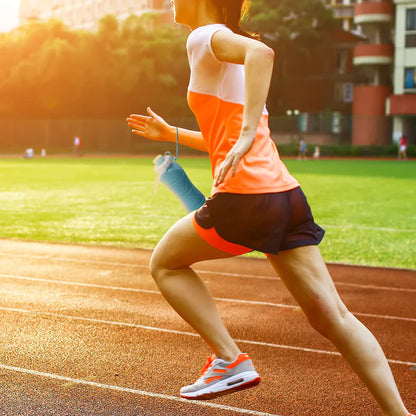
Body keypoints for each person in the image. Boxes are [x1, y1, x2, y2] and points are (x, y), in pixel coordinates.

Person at [127, 1, 414, 414]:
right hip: (285, 196)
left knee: (165, 264)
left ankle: (230, 360)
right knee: (333, 317)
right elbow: (223, 138)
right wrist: (170, 133)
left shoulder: (203, 37)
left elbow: (262, 61)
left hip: (244, 198)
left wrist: (243, 136)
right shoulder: (236, 52)